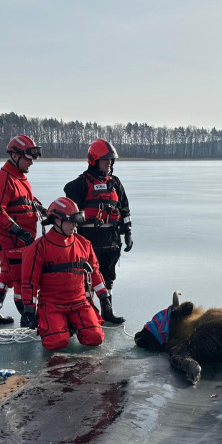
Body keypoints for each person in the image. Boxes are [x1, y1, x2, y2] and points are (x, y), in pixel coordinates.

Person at [19, 197, 110, 351]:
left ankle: (69, 323)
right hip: (52, 304)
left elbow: (94, 273)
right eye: (71, 221)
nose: (75, 225)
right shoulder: (38, 248)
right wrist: (29, 310)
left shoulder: (84, 244)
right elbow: (29, 282)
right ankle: (60, 326)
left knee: (95, 338)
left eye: (76, 221)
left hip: (79, 302)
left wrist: (104, 297)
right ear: (56, 220)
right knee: (56, 343)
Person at [63, 138, 132, 324]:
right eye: (105, 159)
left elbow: (124, 209)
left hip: (111, 240)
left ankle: (107, 311)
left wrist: (128, 232)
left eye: (111, 159)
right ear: (94, 160)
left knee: (108, 278)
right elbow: (70, 213)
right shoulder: (80, 184)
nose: (109, 163)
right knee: (86, 279)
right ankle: (86, 314)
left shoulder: (115, 183)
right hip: (89, 241)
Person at [0, 135, 44, 325]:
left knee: (10, 274)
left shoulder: (20, 177)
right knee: (17, 276)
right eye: (28, 158)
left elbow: (28, 200)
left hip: (23, 238)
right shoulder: (2, 179)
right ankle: (26, 314)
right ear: (15, 156)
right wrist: (18, 231)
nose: (32, 162)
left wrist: (44, 210)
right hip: (10, 239)